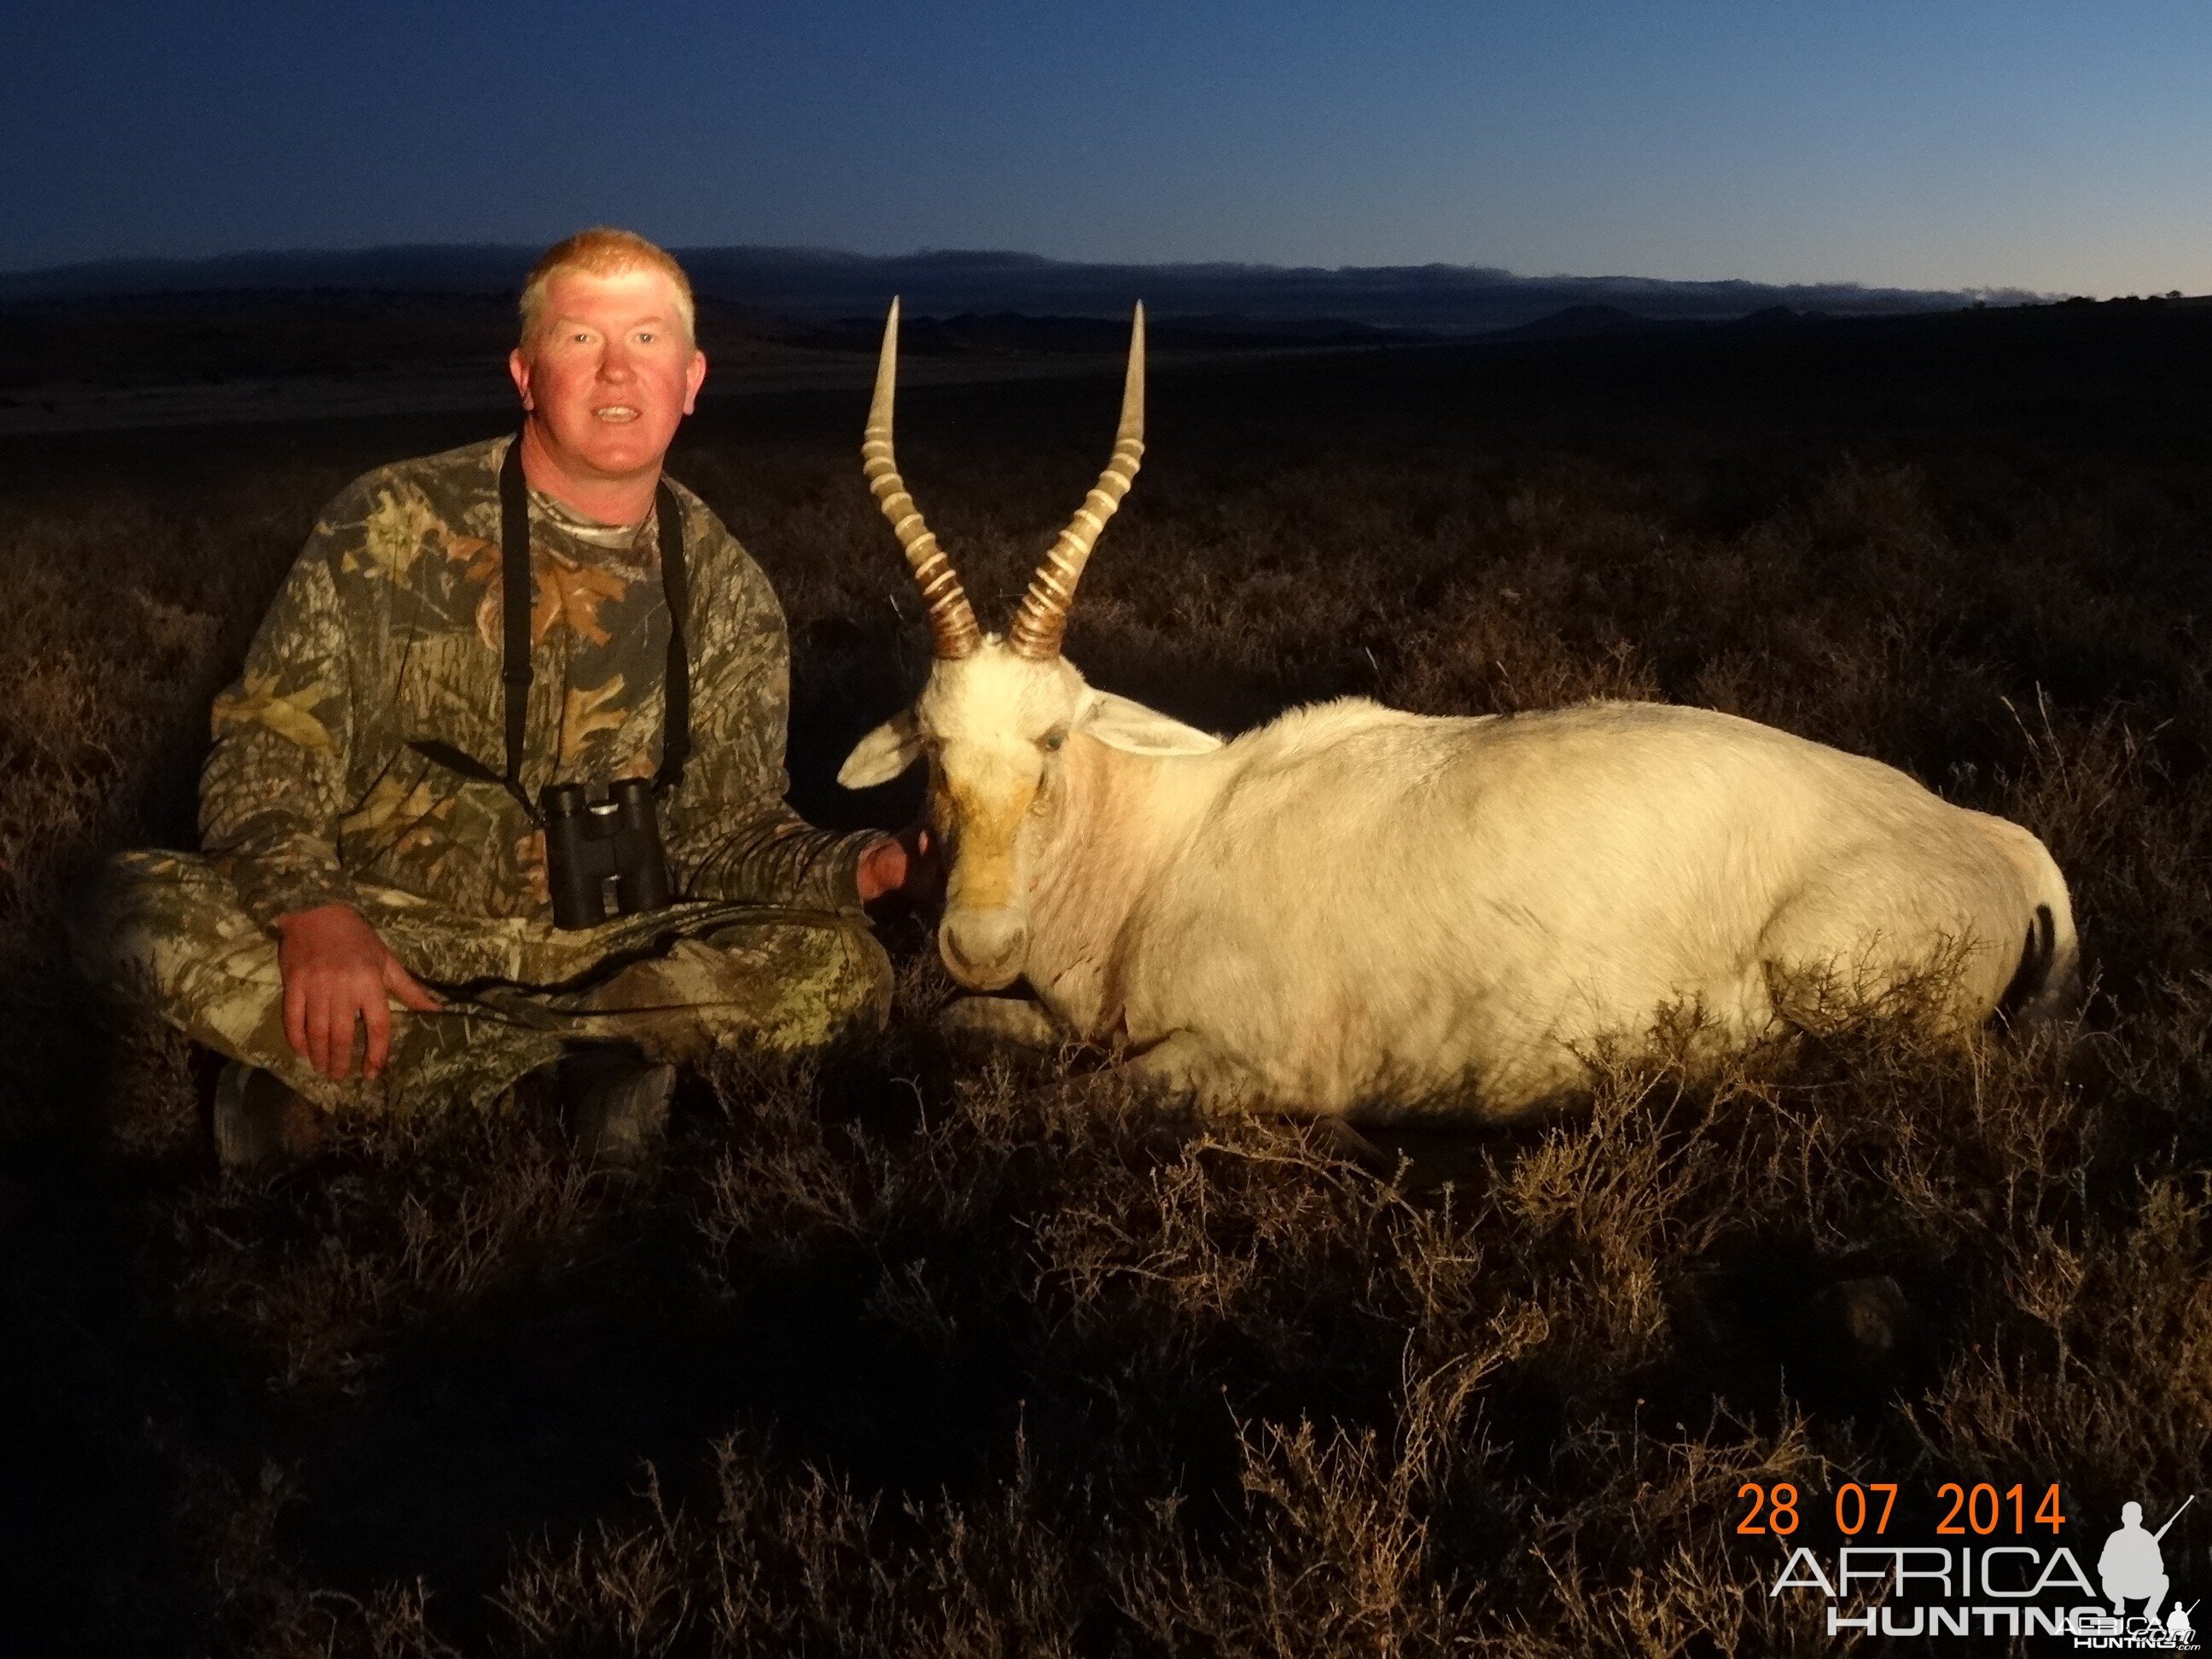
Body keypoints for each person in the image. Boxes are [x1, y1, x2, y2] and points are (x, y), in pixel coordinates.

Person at [74, 228, 923, 1167]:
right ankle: (575, 1085)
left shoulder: (730, 589)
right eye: (579, 340)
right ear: (526, 374)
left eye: (646, 341)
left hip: (611, 956)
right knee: (127, 903)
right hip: (387, 925)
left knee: (847, 967)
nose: (614, 373)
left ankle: (386, 1077)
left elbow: (726, 834)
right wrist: (314, 914)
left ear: (692, 379)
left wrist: (869, 868)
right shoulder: (389, 522)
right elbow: (270, 754)